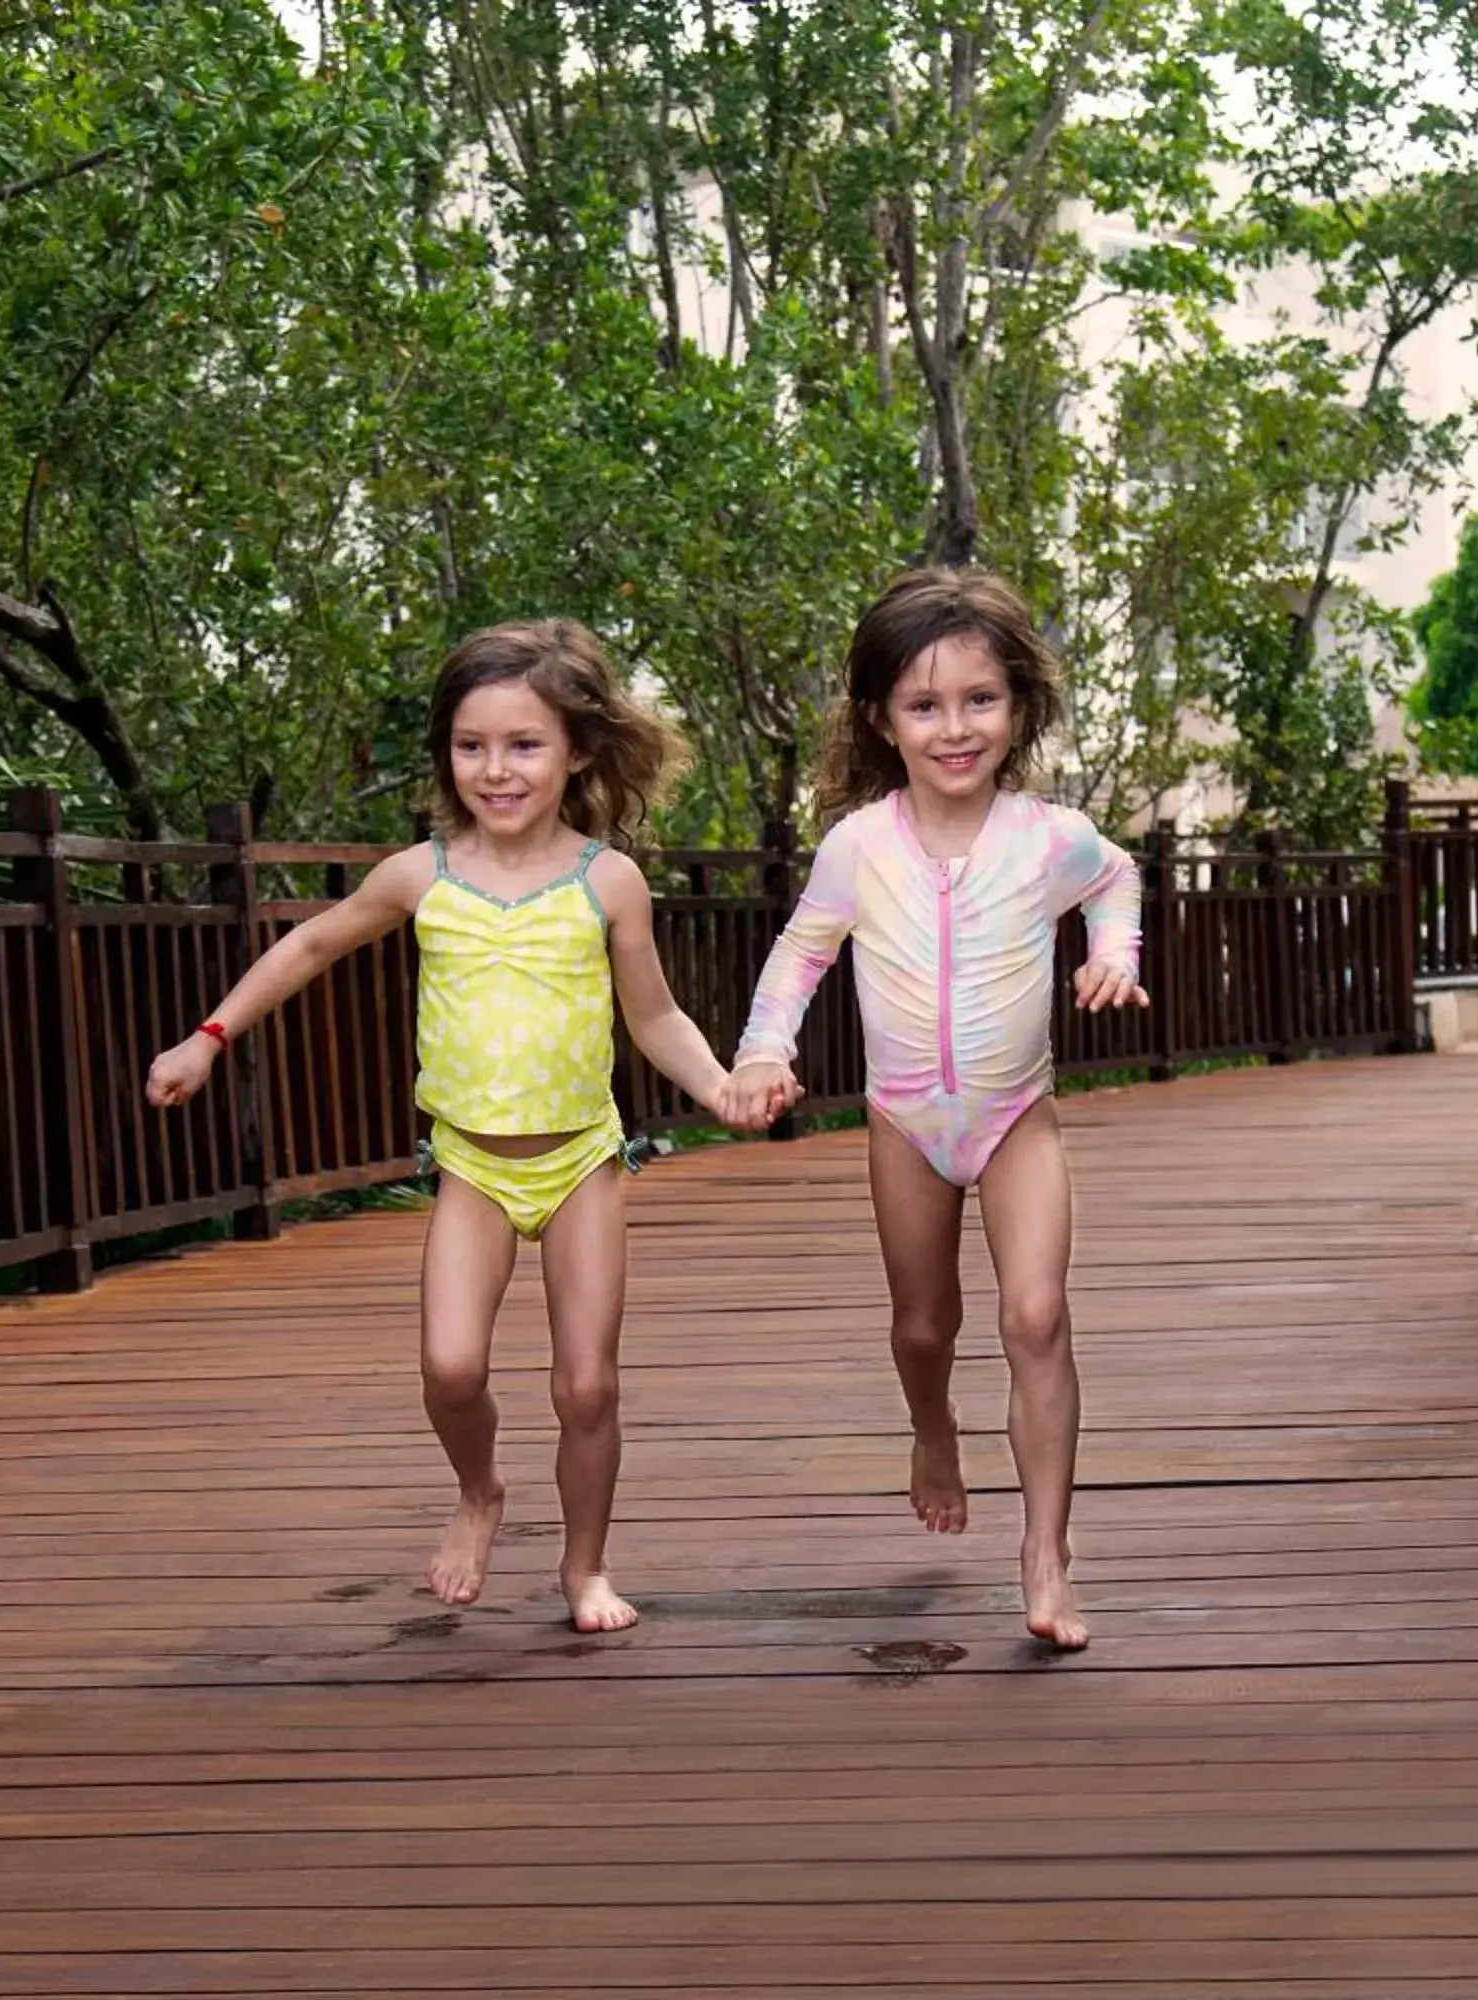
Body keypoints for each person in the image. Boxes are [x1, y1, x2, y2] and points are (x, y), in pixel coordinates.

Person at [147, 621, 732, 1635]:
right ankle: (480, 1488)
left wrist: (721, 1085)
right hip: (472, 1165)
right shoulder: (421, 874)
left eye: (524, 744)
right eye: (471, 746)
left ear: (578, 750)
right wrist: (208, 1036)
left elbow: (654, 1016)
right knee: (451, 1367)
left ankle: (585, 1567)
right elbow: (311, 945)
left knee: (586, 1382)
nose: (495, 769)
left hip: (581, 1159)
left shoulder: (607, 881)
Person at [719, 569, 1144, 1650]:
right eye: (924, 705)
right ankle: (933, 1426)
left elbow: (1118, 876)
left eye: (980, 700)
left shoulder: (1050, 837)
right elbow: (798, 957)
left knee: (1036, 1317)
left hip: (1016, 1119)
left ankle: (1046, 1552)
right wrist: (766, 1048)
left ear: (1018, 707)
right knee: (923, 1326)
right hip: (906, 1121)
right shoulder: (859, 846)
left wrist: (1112, 951)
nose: (955, 727)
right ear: (881, 719)